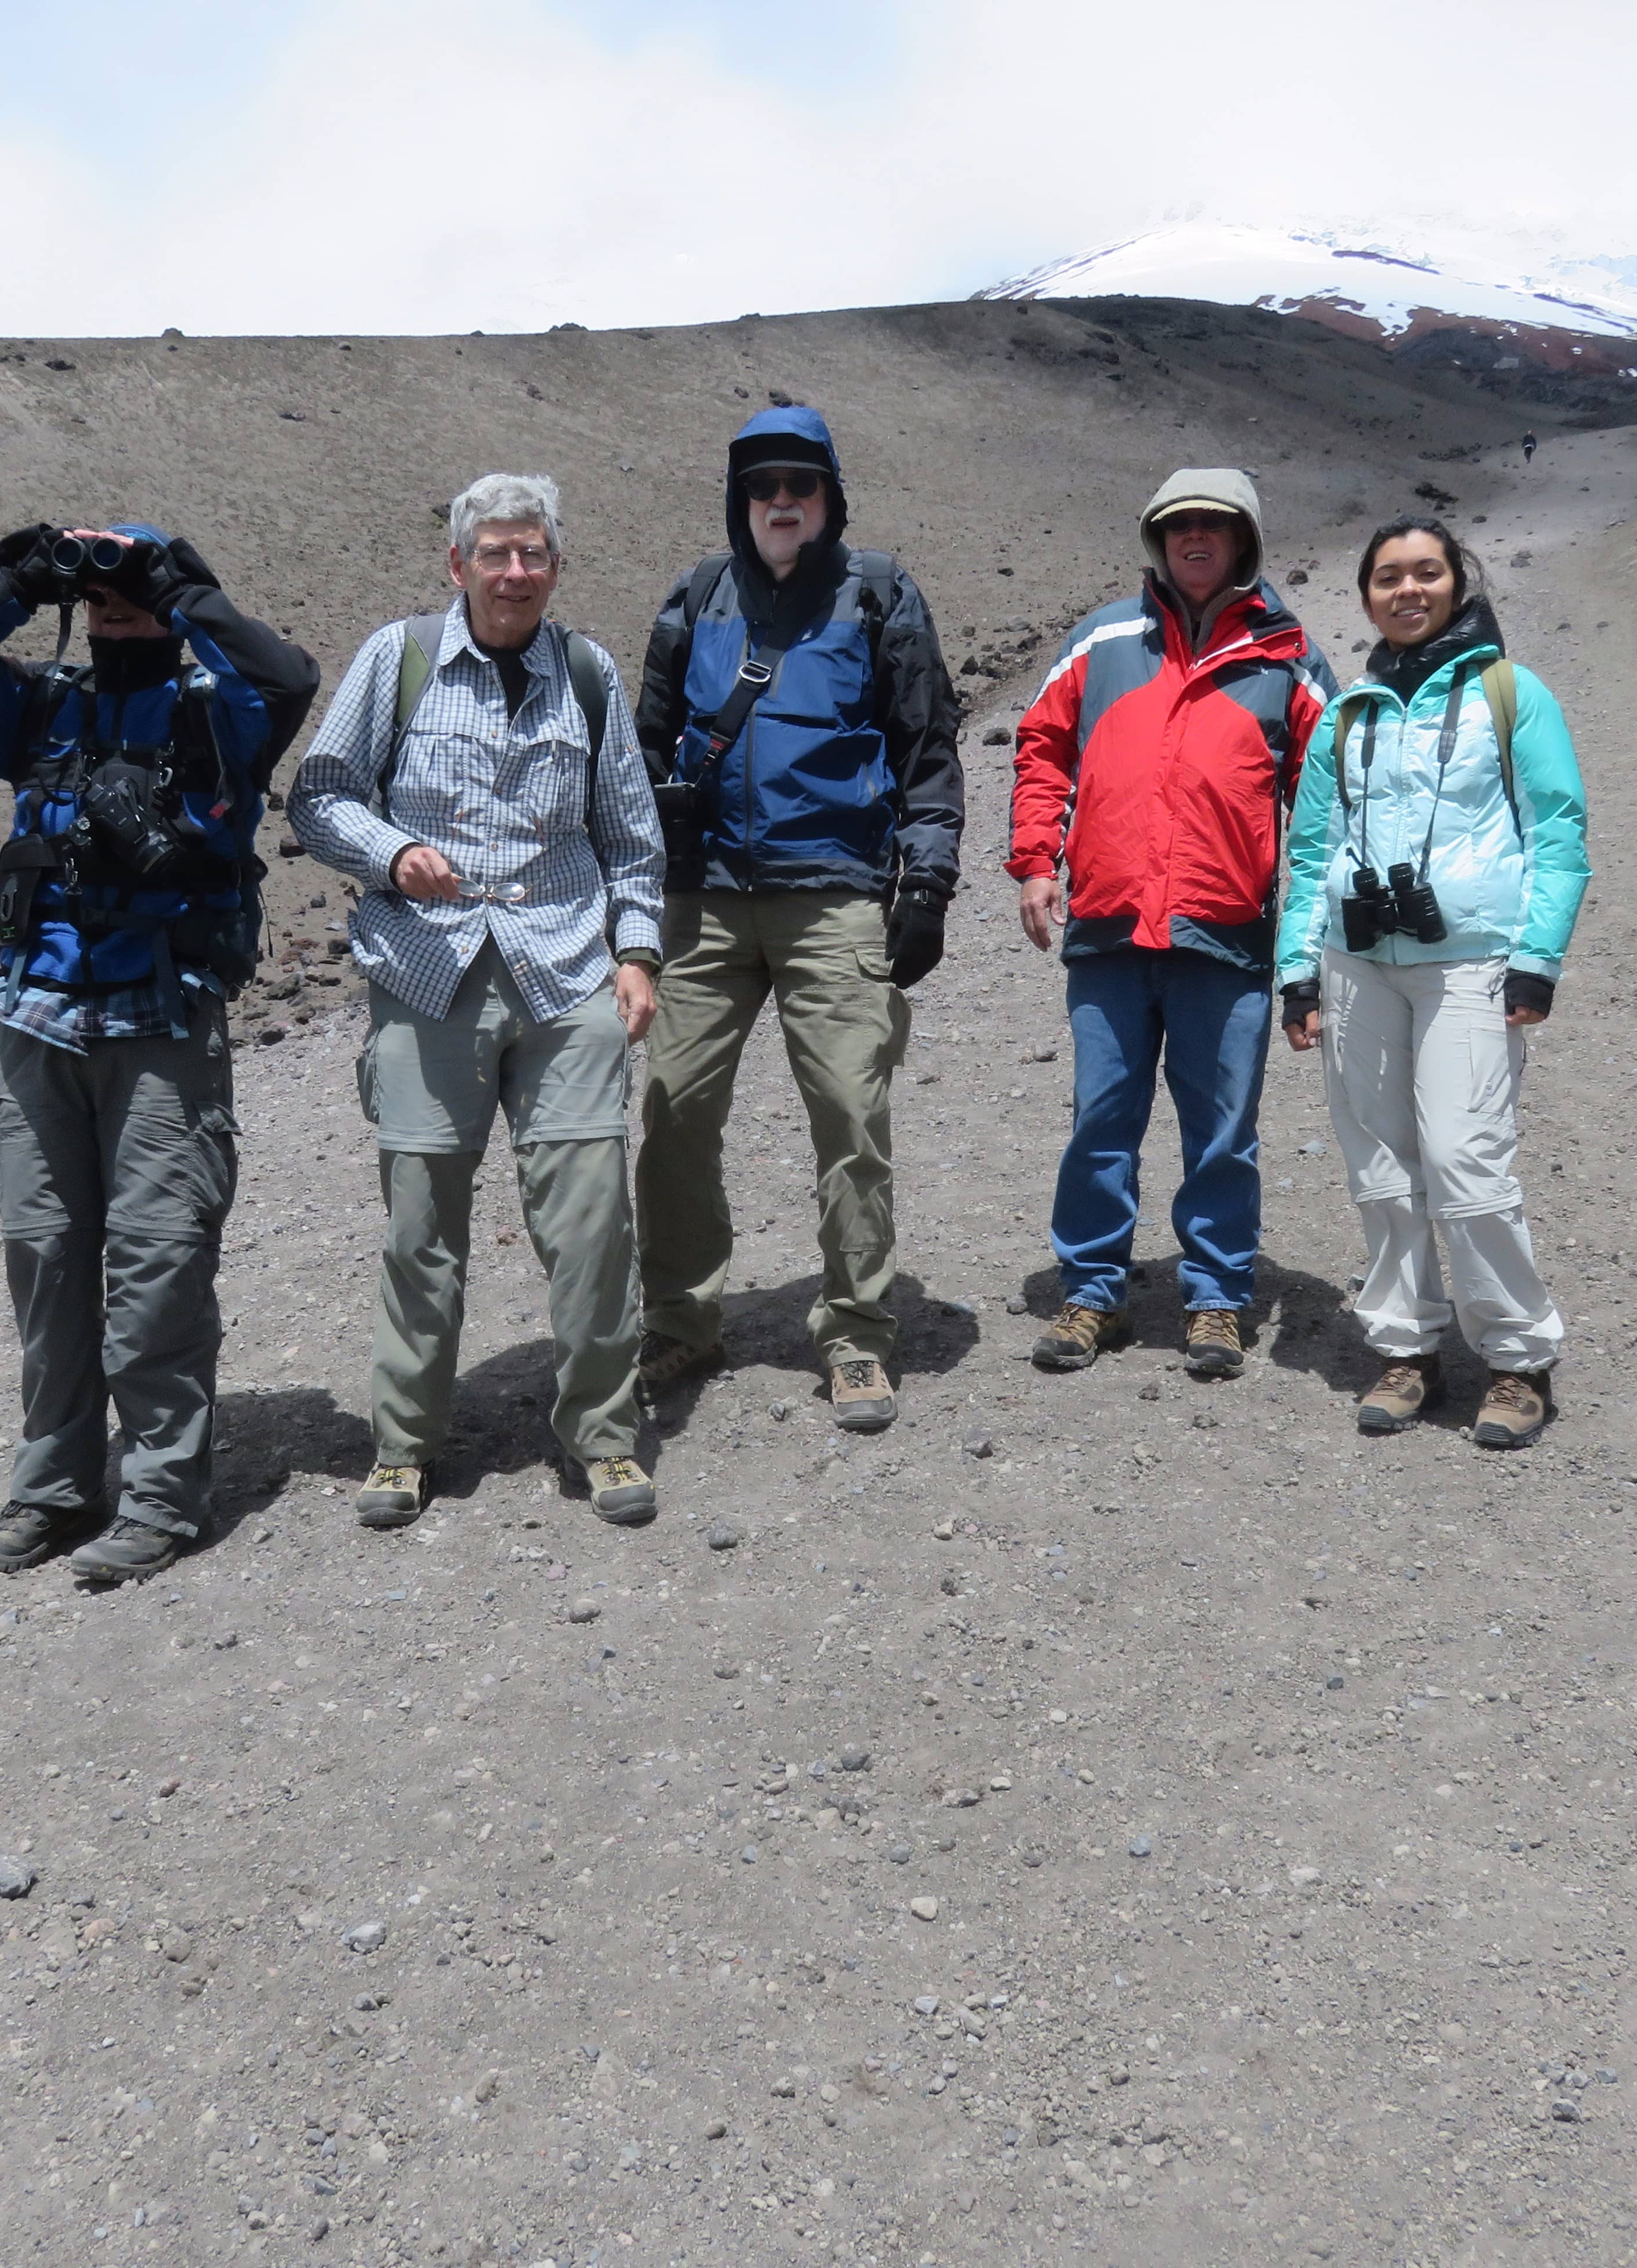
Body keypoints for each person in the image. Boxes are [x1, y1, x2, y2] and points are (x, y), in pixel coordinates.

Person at [0, 522, 319, 1581]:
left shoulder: (222, 718)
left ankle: (164, 1499)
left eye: (137, 595)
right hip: (35, 1025)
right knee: (48, 1261)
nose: (116, 609)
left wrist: (177, 585)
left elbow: (288, 676)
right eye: (102, 595)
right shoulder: (41, 709)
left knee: (159, 1268)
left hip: (161, 1025)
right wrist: (17, 583)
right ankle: (54, 1491)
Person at [286, 473, 666, 1529]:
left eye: (533, 553)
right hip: (426, 975)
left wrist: (637, 955)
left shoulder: (588, 675)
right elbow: (319, 795)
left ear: (556, 564)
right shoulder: (396, 660)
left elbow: (631, 835)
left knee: (591, 1217)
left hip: (564, 972)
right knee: (420, 1227)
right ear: (457, 565)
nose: (515, 572)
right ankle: (404, 1444)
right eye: (495, 554)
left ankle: (604, 1436)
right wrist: (392, 851)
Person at [630, 405, 964, 1432]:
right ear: (742, 501)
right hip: (706, 902)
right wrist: (640, 885)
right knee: (675, 1115)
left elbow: (927, 747)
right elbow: (643, 749)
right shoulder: (697, 597)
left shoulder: (879, 595)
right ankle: (682, 1321)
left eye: (800, 488)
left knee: (851, 1118)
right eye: (763, 489)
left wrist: (928, 885)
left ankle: (858, 1332)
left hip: (835, 895)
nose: (782, 504)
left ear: (830, 497)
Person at [1008, 468, 1333, 1380]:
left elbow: (1326, 792)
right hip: (1111, 926)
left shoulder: (1289, 655)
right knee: (1101, 1117)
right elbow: (1042, 744)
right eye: (1180, 525)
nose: (1196, 538)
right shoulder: (1103, 638)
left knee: (1223, 1125)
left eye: (1215, 526)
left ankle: (1219, 1298)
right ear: (1158, 537)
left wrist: (1309, 923)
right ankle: (1091, 1292)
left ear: (1244, 542)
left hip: (1226, 931)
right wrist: (1038, 857)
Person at [1275, 515, 1590, 1448]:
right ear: (1367, 594)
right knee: (1379, 1165)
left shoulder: (1510, 692)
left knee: (1464, 1159)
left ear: (1458, 582)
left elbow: (1560, 832)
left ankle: (1517, 1357)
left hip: (1471, 961)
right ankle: (1406, 1347)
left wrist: (1538, 958)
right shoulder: (1346, 715)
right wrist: (1298, 970)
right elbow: (1310, 850)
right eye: (1388, 578)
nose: (1407, 591)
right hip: (1357, 960)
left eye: (1426, 573)